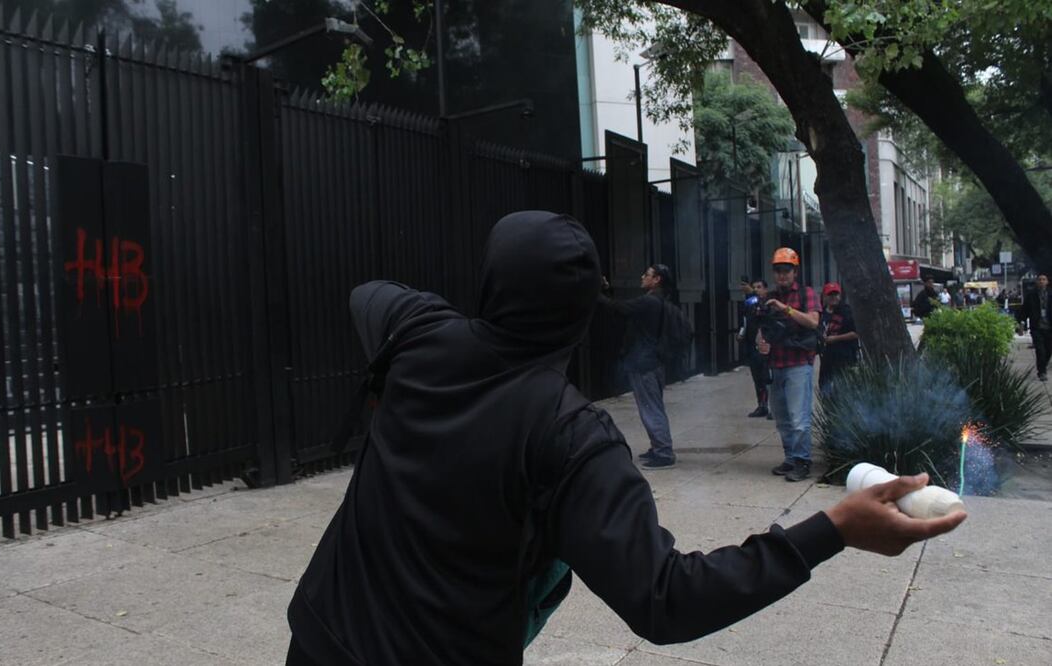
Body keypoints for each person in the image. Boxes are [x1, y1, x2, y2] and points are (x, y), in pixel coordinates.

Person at [285, 211, 966, 665]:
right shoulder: (570, 436)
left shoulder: (418, 334)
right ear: (582, 317)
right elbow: (666, 598)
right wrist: (832, 531)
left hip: (321, 637)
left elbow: (368, 292)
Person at [599, 264, 677, 469]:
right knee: (652, 406)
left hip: (645, 364)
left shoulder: (649, 301)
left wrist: (595, 293)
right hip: (653, 362)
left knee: (651, 409)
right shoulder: (658, 301)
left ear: (657, 279)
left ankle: (664, 452)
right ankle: (658, 446)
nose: (642, 276)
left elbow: (618, 309)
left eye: (647, 274)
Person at [755, 248, 820, 482]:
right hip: (776, 363)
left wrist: (787, 309)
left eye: (786, 271)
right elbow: (763, 330)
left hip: (799, 363)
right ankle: (791, 458)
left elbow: (813, 322)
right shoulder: (768, 297)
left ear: (795, 271)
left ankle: (803, 461)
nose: (782, 275)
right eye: (778, 271)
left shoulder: (806, 293)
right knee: (782, 418)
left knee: (799, 417)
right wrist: (761, 344)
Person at [738, 279, 772, 418]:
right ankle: (762, 405)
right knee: (757, 377)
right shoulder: (750, 304)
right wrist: (741, 334)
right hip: (752, 344)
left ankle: (773, 407)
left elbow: (767, 316)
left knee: (768, 377)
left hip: (766, 345)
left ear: (766, 289)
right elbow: (745, 320)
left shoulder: (769, 304)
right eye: (754, 287)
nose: (756, 290)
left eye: (759, 287)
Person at [819, 283, 859, 394]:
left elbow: (856, 333)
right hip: (826, 359)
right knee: (825, 390)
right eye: (830, 295)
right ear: (824, 296)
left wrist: (836, 338)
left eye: (836, 294)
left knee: (844, 391)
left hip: (845, 358)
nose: (833, 298)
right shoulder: (820, 313)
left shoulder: (847, 311)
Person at [1024, 274, 1052, 381]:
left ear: (1047, 282)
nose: (1041, 281)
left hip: (1049, 328)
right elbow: (1024, 310)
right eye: (1039, 279)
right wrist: (1022, 325)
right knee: (1040, 350)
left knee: (1048, 350)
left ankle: (1043, 366)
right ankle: (1042, 372)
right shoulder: (1031, 296)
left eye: (1044, 279)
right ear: (1037, 282)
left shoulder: (1050, 295)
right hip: (1037, 327)